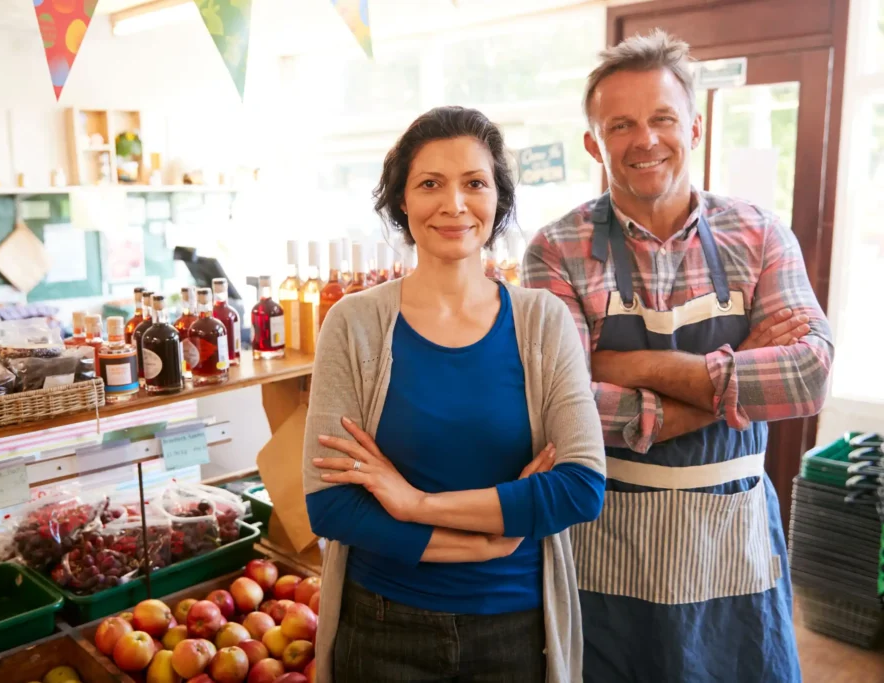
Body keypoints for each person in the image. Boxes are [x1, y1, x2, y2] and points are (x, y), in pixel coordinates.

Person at [523, 30, 834, 682]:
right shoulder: (555, 250)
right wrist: (740, 378)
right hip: (610, 546)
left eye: (662, 118)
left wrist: (628, 367)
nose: (646, 139)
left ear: (693, 127)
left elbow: (807, 375)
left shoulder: (758, 232)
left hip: (735, 541)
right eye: (621, 124)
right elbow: (562, 409)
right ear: (594, 143)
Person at [302, 106, 607, 683]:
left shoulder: (543, 322)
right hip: (381, 625)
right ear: (401, 202)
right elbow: (331, 503)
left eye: (474, 183)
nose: (454, 204)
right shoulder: (355, 323)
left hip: (515, 629)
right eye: (430, 184)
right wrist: (484, 542)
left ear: (498, 201)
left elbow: (580, 487)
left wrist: (415, 505)